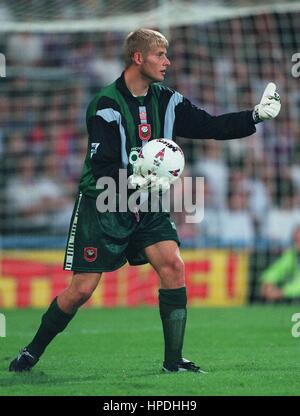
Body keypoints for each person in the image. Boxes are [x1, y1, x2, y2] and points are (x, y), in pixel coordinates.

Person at [9, 28, 281, 373]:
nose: (167, 62)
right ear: (138, 58)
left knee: (173, 266)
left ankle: (173, 361)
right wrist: (132, 180)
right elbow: (102, 165)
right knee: (80, 290)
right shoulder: (105, 105)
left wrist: (255, 116)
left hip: (148, 200)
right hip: (104, 203)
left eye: (166, 55)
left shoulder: (168, 100)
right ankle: (32, 351)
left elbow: (211, 125)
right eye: (160, 55)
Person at [260, 226, 300, 301]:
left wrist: (282, 292)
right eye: (296, 240)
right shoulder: (292, 254)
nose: (297, 244)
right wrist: (267, 282)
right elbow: (277, 269)